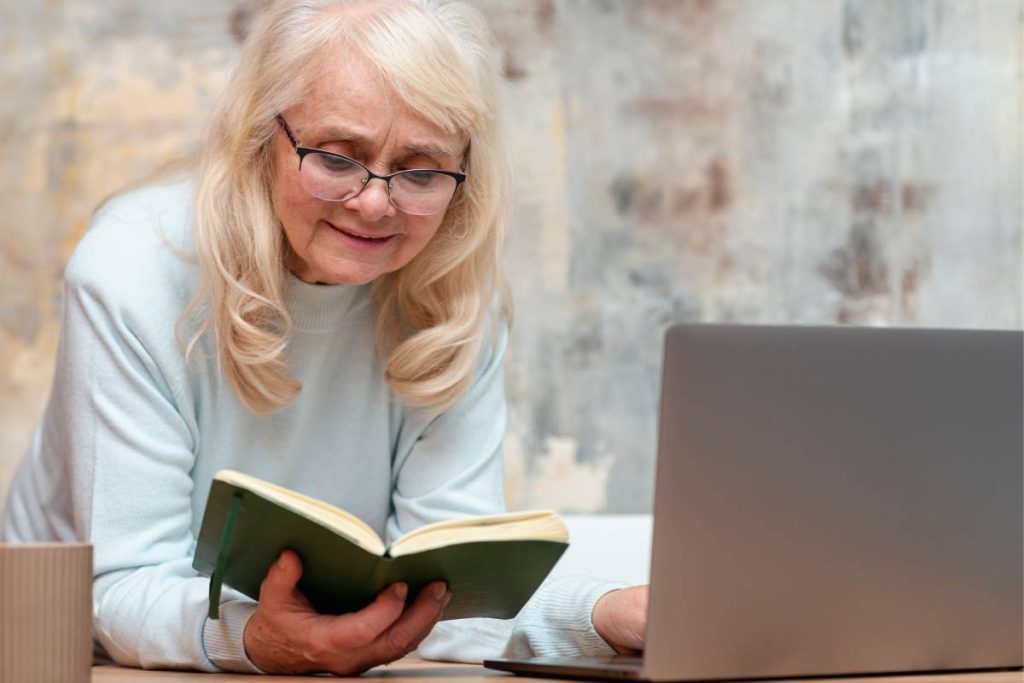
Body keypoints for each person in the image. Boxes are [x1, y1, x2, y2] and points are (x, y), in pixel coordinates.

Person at [0, 0, 648, 676]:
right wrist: (256, 637)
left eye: (421, 170)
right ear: (259, 135)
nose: (375, 203)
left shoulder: (453, 296)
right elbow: (122, 586)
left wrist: (603, 614)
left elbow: (446, 603)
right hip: (78, 655)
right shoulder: (132, 270)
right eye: (338, 157)